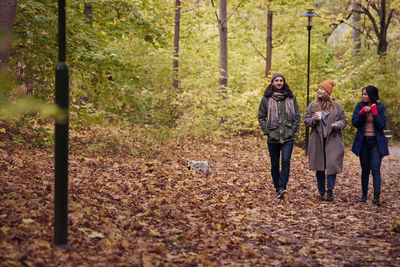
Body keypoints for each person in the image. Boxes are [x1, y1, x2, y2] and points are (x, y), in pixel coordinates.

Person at [258, 72, 301, 199]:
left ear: (284, 82)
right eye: (276, 80)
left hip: (288, 136)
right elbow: (261, 116)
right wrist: (268, 131)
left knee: (286, 161)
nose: (279, 83)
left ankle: (282, 187)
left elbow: (297, 116)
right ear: (272, 82)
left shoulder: (291, 97)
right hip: (273, 137)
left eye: (281, 80)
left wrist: (292, 130)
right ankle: (277, 187)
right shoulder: (266, 98)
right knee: (275, 164)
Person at [304, 80, 347, 201]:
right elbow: (306, 120)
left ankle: (330, 191)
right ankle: (321, 192)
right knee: (320, 166)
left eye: (322, 89)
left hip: (333, 140)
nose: (319, 91)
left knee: (332, 166)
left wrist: (338, 124)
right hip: (317, 141)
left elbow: (344, 121)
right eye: (318, 88)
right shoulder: (313, 105)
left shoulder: (336, 106)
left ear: (327, 92)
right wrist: (313, 119)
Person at [351, 85, 389, 205]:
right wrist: (362, 112)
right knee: (365, 170)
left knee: (375, 169)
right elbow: (355, 123)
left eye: (365, 94)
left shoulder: (380, 106)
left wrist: (375, 111)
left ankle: (376, 196)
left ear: (372, 95)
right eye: (362, 94)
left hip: (376, 143)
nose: (363, 96)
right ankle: (364, 195)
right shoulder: (359, 106)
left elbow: (381, 125)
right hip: (363, 142)